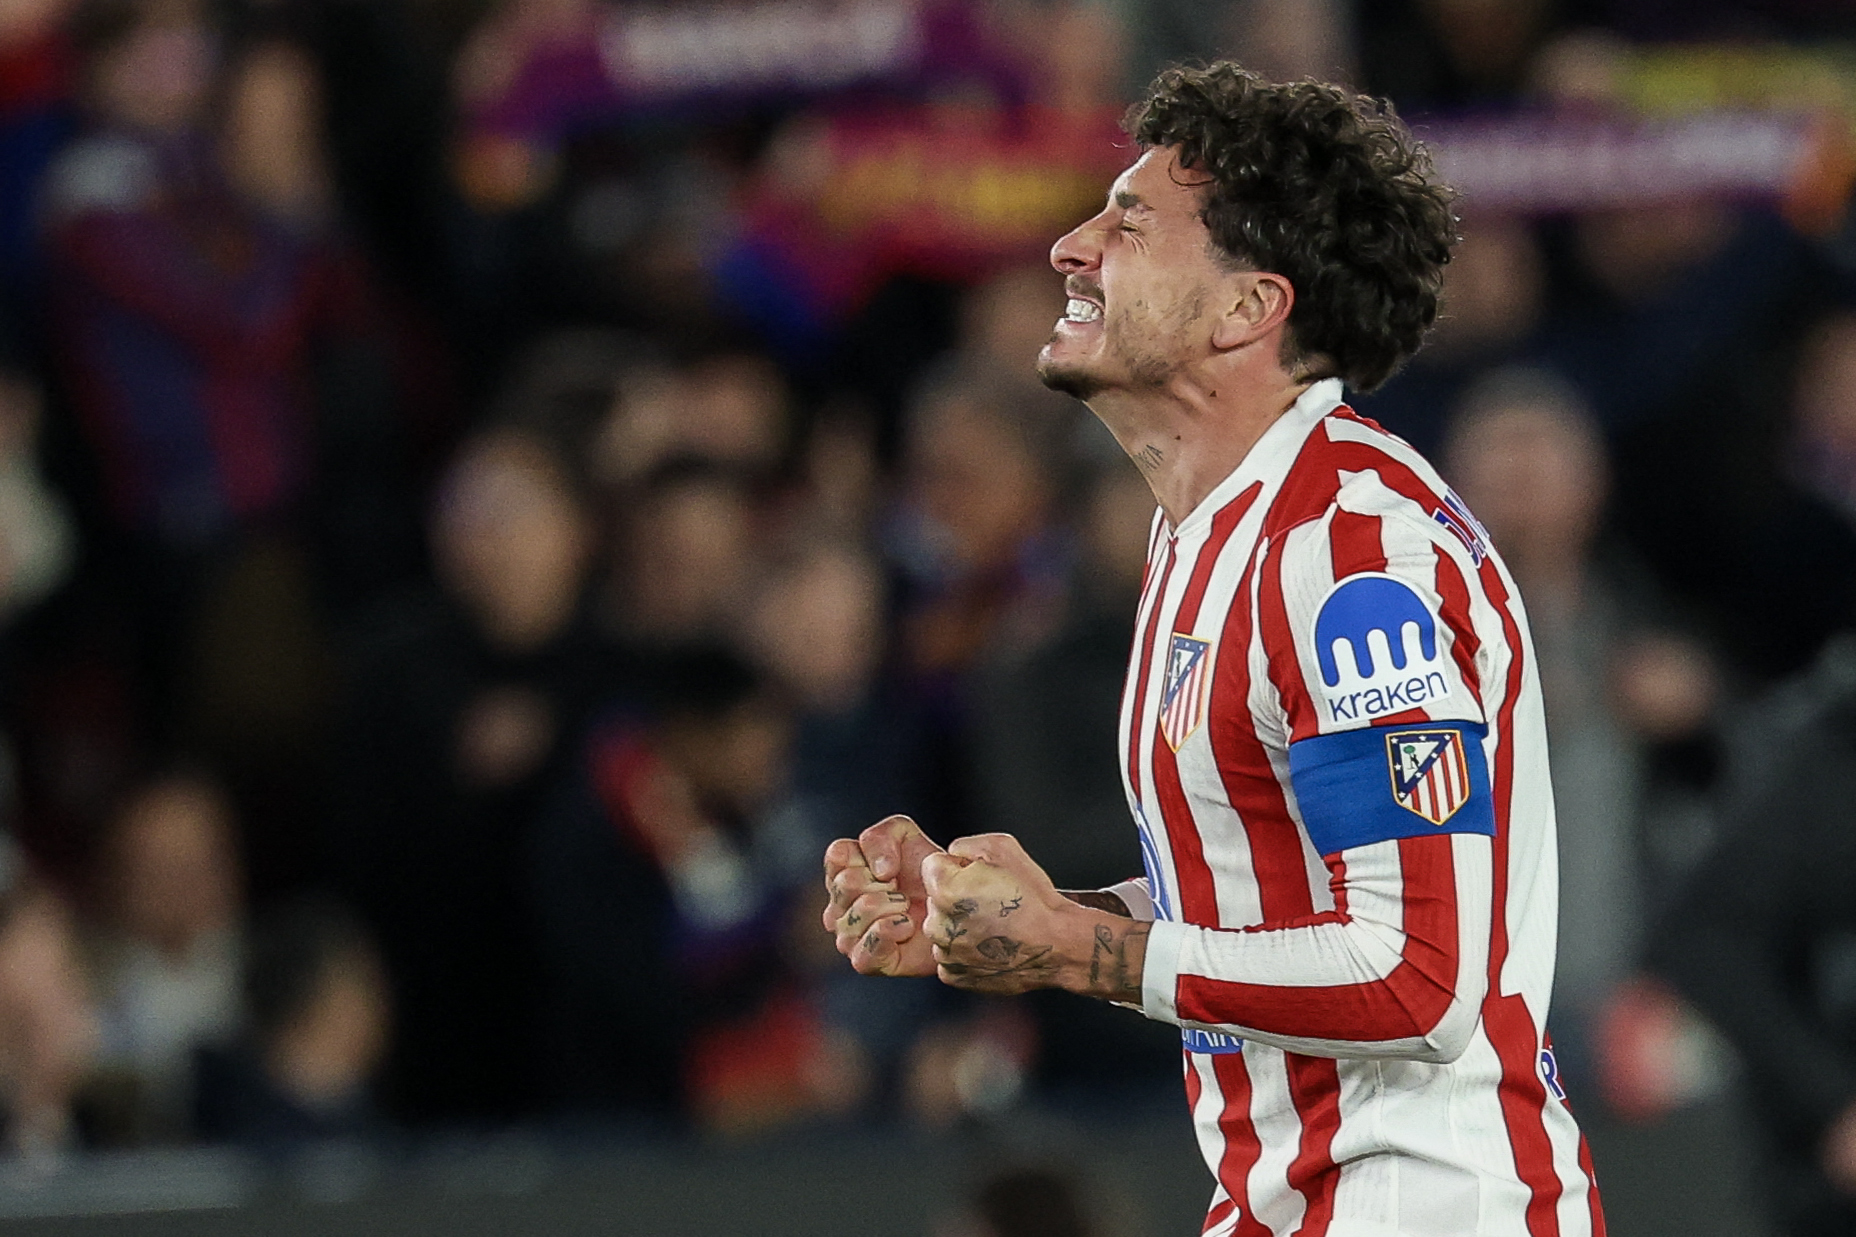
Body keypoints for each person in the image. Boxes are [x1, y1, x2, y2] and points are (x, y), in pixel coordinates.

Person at [822, 64, 1606, 1236]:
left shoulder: (1351, 559)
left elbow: (1417, 978)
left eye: (1129, 223)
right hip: (1291, 1199)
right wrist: (1027, 919)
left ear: (1246, 308)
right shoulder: (1208, 531)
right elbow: (1269, 882)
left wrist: (1082, 950)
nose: (1070, 248)